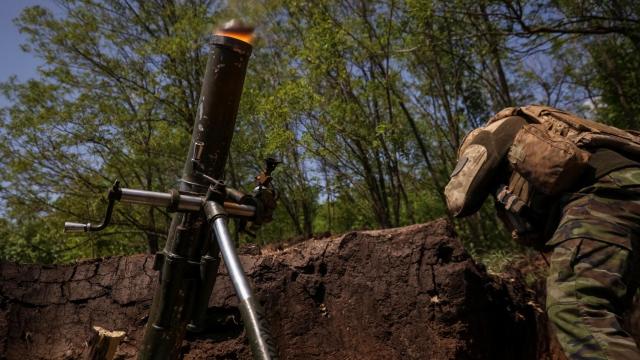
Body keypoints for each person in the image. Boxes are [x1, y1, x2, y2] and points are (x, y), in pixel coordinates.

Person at [444, 105, 640, 359]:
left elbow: (458, 199)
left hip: (606, 192)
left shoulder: (492, 133)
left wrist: (467, 160)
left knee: (575, 304)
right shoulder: (551, 129)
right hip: (628, 185)